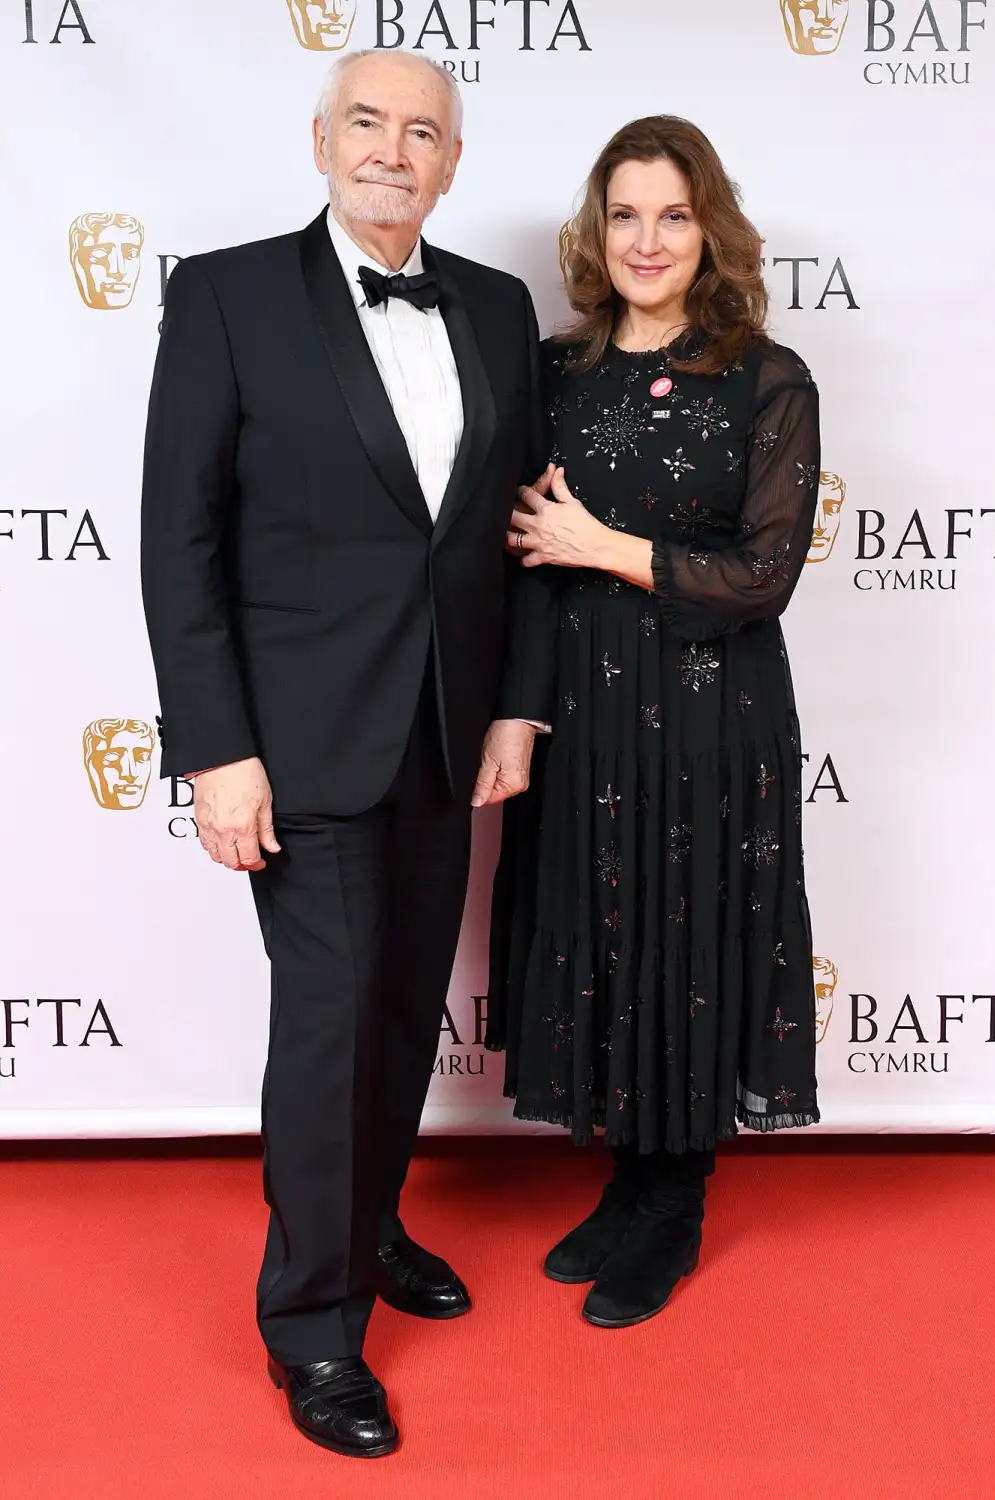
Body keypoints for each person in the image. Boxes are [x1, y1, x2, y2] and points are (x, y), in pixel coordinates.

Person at [141, 50, 542, 1458]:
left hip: (445, 738)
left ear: (451, 163)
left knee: (398, 1014)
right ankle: (311, 1325)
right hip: (296, 747)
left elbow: (515, 536)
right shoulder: (228, 296)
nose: (391, 149)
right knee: (327, 1030)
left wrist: (514, 708)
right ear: (321, 139)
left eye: (422, 131)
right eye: (367, 122)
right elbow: (180, 541)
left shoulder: (496, 308)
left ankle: (368, 1227)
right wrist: (215, 752)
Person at [485, 115, 822, 1329]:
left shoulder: (768, 378)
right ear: (595, 228)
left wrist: (603, 546)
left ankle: (675, 1203)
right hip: (584, 708)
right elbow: (526, 554)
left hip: (708, 706)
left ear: (708, 228)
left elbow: (763, 574)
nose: (646, 239)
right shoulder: (555, 372)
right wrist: (518, 712)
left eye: (672, 215)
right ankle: (629, 1179)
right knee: (607, 930)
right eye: (624, 214)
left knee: (690, 939)